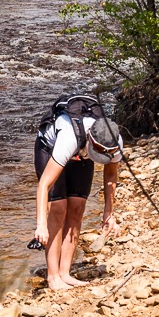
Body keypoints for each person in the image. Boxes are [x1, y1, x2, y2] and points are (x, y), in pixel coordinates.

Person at [33, 101, 123, 290]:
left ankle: (65, 273)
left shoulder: (114, 142)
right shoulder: (68, 137)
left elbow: (110, 174)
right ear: (90, 140)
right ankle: (53, 276)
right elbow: (44, 185)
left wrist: (109, 213)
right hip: (50, 148)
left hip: (81, 154)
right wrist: (41, 225)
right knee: (58, 207)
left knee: (77, 206)